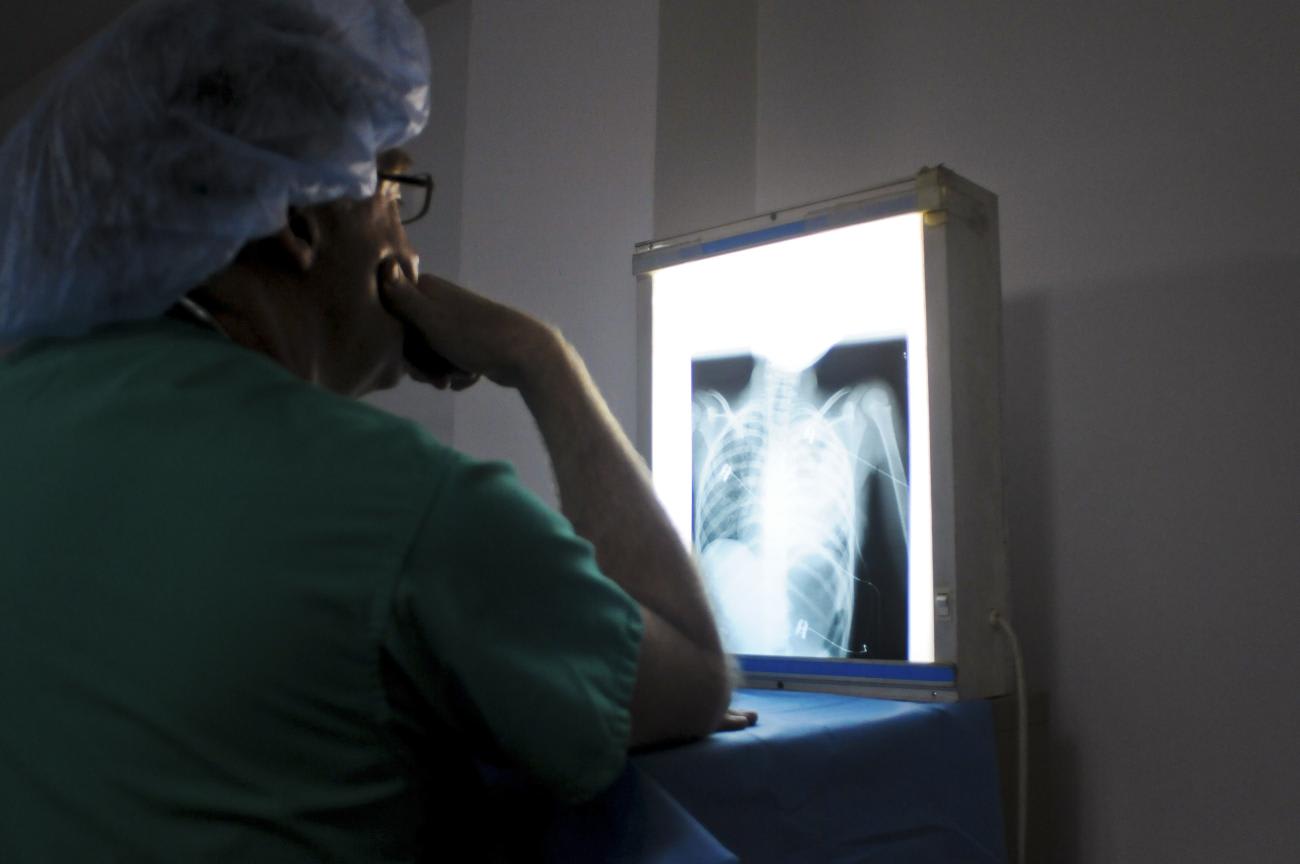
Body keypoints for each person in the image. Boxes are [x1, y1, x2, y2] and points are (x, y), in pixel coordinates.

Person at [0, 0, 752, 860]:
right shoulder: (403, 502)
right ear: (298, 222)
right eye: (394, 189)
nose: (406, 240)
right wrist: (541, 358)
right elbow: (693, 675)